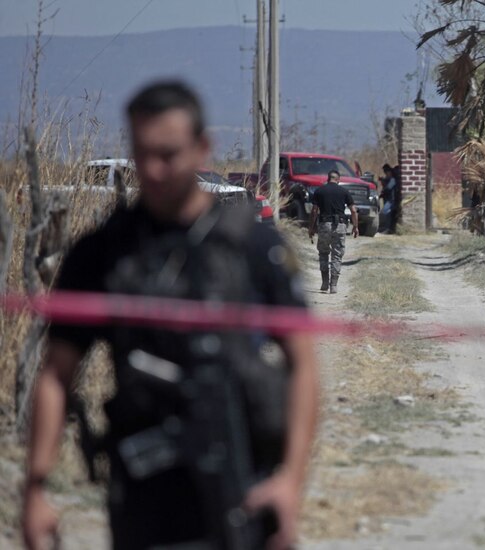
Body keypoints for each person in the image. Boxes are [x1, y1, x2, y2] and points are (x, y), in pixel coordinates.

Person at [21, 81, 320, 550]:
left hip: (242, 482)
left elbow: (302, 362)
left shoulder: (252, 247)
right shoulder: (103, 253)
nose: (155, 170)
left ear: (202, 148)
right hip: (145, 492)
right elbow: (56, 373)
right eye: (143, 154)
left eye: (169, 153)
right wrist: (35, 489)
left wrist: (291, 481)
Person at [308, 169, 357, 293]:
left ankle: (325, 282)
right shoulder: (344, 191)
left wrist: (311, 227)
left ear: (328, 178)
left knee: (323, 253)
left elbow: (314, 211)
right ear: (338, 179)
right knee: (337, 255)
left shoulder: (319, 191)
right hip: (340, 225)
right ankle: (334, 285)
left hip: (324, 225)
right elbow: (354, 210)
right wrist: (355, 226)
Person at [379, 164, 397, 234]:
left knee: (386, 212)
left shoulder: (393, 180)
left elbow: (388, 188)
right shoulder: (389, 179)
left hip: (391, 200)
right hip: (388, 199)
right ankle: (387, 228)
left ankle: (388, 229)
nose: (386, 173)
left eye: (386, 172)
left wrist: (383, 188)